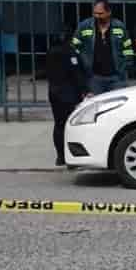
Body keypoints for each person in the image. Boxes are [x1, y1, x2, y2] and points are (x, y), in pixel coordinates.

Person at [71, 0, 135, 96]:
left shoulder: (119, 26)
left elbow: (128, 49)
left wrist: (125, 67)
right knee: (96, 107)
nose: (97, 16)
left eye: (100, 13)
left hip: (117, 77)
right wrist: (81, 69)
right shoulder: (84, 26)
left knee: (116, 105)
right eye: (95, 13)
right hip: (93, 77)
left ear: (109, 12)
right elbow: (74, 48)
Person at [45, 29, 84, 167]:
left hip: (54, 92)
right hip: (68, 93)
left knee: (59, 124)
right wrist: (83, 91)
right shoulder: (70, 52)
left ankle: (60, 156)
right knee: (71, 125)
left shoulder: (50, 51)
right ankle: (70, 157)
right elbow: (76, 73)